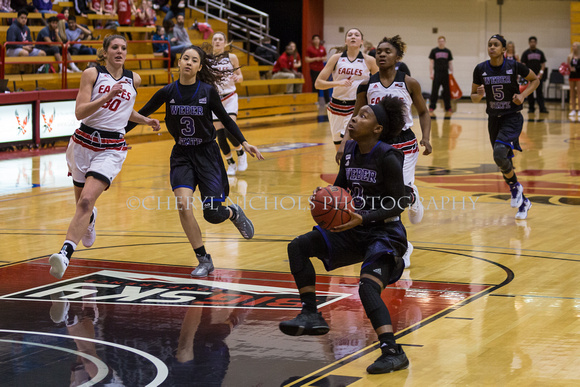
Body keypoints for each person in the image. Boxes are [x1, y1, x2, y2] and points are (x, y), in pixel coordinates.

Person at [279, 95, 411, 375]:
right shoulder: (349, 149)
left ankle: (392, 351)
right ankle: (311, 313)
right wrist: (324, 198)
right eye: (356, 114)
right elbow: (341, 189)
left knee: (366, 286)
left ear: (377, 129)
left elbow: (400, 202)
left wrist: (365, 216)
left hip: (384, 233)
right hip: (353, 228)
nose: (354, 118)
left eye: (363, 116)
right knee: (299, 247)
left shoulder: (388, 155)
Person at [125, 45, 264, 277]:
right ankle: (203, 259)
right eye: (185, 58)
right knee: (183, 205)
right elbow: (142, 113)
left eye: (194, 60)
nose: (189, 62)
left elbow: (226, 120)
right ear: (179, 63)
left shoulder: (207, 91)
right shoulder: (167, 92)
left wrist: (245, 142)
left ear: (200, 67)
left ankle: (234, 213)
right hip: (182, 155)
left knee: (212, 213)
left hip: (208, 155)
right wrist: (115, 134)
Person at [48, 35, 160, 280]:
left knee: (86, 201)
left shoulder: (134, 79)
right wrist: (107, 96)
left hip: (111, 148)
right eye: (115, 47)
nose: (120, 51)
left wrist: (145, 120)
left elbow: (124, 110)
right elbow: (80, 112)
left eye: (123, 48)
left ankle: (64, 254)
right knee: (82, 204)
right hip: (82, 144)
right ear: (105, 51)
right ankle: (90, 221)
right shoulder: (92, 74)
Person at [339, 35, 431, 268]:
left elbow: (423, 112)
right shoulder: (366, 85)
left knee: (396, 196)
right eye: (378, 51)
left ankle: (410, 197)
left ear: (397, 57)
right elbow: (355, 116)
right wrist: (344, 143)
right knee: (386, 198)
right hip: (378, 144)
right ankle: (405, 244)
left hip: (405, 144)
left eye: (387, 51)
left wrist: (427, 138)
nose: (381, 54)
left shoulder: (409, 83)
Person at [471, 34, 539, 220]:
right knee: (502, 161)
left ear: (504, 50)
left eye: (496, 45)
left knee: (499, 153)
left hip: (512, 117)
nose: (491, 47)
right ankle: (523, 200)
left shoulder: (514, 65)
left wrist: (523, 96)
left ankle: (516, 188)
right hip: (494, 119)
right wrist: (479, 94)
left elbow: (535, 80)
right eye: (489, 45)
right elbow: (473, 97)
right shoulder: (480, 69)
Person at [315, 28, 378, 149]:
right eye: (350, 35)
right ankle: (343, 168)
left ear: (361, 42)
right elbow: (318, 83)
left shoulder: (369, 60)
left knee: (349, 143)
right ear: (345, 41)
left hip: (356, 108)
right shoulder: (336, 58)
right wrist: (338, 83)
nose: (353, 36)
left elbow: (379, 84)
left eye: (356, 35)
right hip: (335, 108)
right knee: (339, 148)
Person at [209, 32, 247, 176]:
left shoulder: (232, 57)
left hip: (230, 97)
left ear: (225, 43)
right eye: (215, 39)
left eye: (220, 39)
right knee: (219, 134)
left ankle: (240, 152)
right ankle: (230, 163)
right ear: (212, 42)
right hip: (216, 99)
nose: (217, 41)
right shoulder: (207, 60)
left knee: (229, 129)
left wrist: (238, 77)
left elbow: (241, 77)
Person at [6, 9, 47, 73]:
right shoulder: (13, 28)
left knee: (42, 53)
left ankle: (34, 70)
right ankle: (22, 72)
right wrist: (23, 47)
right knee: (25, 53)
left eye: (25, 18)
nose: (24, 20)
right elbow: (11, 43)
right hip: (12, 49)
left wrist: (31, 47)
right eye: (22, 18)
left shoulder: (26, 28)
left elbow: (30, 41)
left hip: (25, 48)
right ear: (17, 18)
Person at [521, 36, 548, 113]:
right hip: (529, 77)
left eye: (534, 42)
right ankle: (531, 108)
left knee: (539, 92)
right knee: (530, 92)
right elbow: (523, 64)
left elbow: (543, 64)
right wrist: (526, 75)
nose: (532, 43)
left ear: (536, 43)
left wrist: (541, 73)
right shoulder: (525, 53)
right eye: (531, 42)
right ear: (529, 43)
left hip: (538, 77)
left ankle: (542, 108)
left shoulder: (540, 52)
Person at [428, 36, 453, 113]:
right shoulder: (434, 51)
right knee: (434, 91)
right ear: (438, 42)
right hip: (437, 74)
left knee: (447, 92)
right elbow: (431, 63)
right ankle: (432, 107)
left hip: (445, 74)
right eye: (439, 41)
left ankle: (448, 107)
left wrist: (451, 74)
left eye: (442, 41)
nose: (441, 42)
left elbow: (450, 63)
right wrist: (431, 73)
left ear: (444, 42)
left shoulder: (448, 51)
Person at [305, 34, 330, 104]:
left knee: (325, 84)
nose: (316, 40)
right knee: (315, 85)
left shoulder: (322, 48)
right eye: (315, 39)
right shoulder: (310, 49)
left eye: (318, 39)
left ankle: (327, 101)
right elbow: (306, 59)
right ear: (313, 41)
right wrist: (315, 59)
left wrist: (322, 58)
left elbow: (325, 57)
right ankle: (315, 100)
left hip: (322, 69)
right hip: (313, 69)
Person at [567, 42, 580, 117]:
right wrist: (569, 69)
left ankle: (579, 110)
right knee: (572, 93)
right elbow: (568, 65)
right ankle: (573, 109)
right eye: (573, 46)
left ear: (578, 47)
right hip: (572, 76)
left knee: (579, 92)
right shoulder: (570, 56)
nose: (573, 47)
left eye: (575, 46)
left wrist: (576, 69)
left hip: (579, 76)